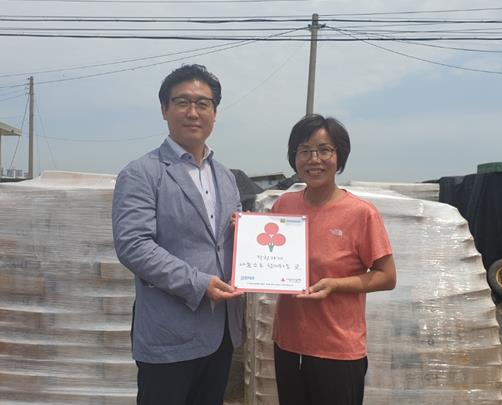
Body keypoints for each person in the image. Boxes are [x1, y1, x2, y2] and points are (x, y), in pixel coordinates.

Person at [112, 64, 243, 405]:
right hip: (169, 336)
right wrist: (198, 283)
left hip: (221, 333)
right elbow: (134, 246)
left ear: (215, 112)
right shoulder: (142, 173)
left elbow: (229, 242)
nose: (193, 112)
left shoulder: (226, 176)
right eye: (182, 102)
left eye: (203, 103)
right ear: (164, 109)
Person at [271, 114, 397, 405]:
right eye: (304, 151)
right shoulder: (284, 205)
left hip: (338, 349)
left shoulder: (361, 213)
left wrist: (336, 285)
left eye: (324, 150)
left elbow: (387, 276)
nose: (314, 159)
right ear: (294, 157)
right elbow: (267, 255)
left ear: (339, 156)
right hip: (288, 344)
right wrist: (242, 235)